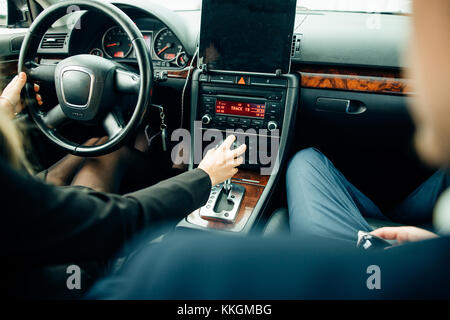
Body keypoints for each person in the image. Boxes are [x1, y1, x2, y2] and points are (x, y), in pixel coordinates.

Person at [87, 0, 450, 299]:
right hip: (409, 246)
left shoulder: (180, 270)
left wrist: (203, 176)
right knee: (304, 160)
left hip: (361, 259)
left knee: (297, 165)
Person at [0, 72, 247, 298]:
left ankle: (149, 152)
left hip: (33, 252)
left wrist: (5, 108)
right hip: (66, 279)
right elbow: (123, 218)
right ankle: (167, 166)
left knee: (99, 144)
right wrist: (204, 175)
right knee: (108, 154)